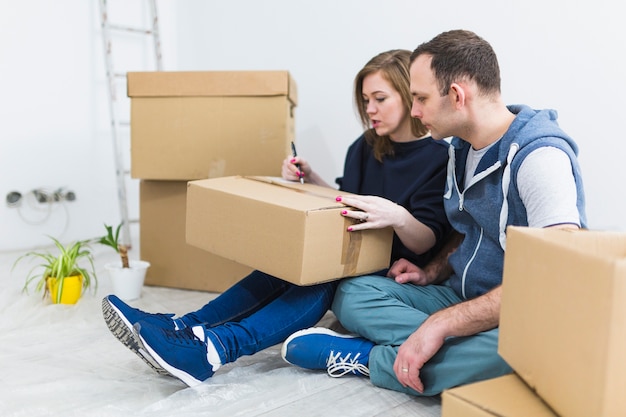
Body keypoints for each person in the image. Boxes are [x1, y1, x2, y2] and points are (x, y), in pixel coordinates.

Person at [101, 49, 451, 387]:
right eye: (364, 101)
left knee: (323, 279)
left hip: (393, 268)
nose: (369, 109)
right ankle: (183, 328)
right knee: (284, 267)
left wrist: (397, 216)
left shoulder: (437, 157)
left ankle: (213, 349)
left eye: (379, 99)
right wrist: (310, 178)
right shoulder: (365, 146)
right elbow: (346, 201)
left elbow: (427, 240)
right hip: (351, 252)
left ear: (408, 96)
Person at [281, 29, 587, 396]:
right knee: (351, 293)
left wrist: (444, 324)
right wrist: (431, 272)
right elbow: (467, 231)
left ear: (457, 96)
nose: (414, 112)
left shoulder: (540, 159)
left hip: (521, 312)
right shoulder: (461, 149)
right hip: (462, 294)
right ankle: (436, 354)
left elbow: (555, 277)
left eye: (421, 98)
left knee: (533, 351)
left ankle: (373, 360)